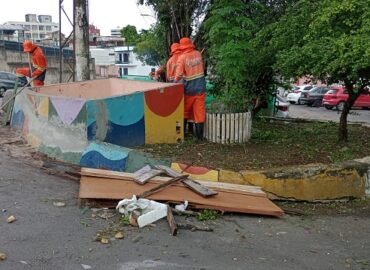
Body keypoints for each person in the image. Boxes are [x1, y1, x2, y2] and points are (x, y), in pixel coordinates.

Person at [175, 37, 206, 140]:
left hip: (189, 90)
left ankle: (181, 135)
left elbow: (178, 74)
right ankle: (200, 138)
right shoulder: (198, 54)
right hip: (200, 88)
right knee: (199, 112)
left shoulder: (182, 58)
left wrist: (175, 81)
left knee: (183, 112)